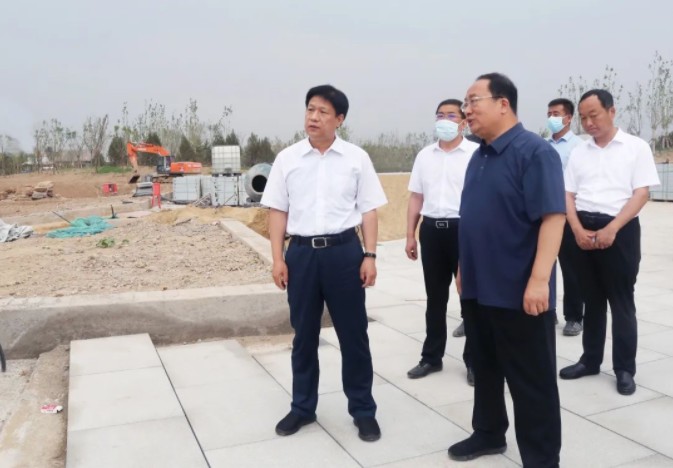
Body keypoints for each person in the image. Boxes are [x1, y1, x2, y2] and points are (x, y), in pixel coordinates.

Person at [448, 73, 565, 467]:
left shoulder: (534, 152)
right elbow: (475, 216)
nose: (466, 110)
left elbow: (553, 218)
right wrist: (463, 266)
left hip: (518, 289)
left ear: (503, 104)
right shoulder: (478, 155)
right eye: (465, 103)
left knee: (531, 381)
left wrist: (539, 280)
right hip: (478, 286)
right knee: (485, 367)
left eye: (473, 101)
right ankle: (488, 432)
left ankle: (542, 458)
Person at [261, 84, 387, 442]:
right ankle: (302, 407)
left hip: (344, 253)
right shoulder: (287, 159)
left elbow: (369, 210)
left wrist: (370, 255)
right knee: (303, 336)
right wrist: (277, 258)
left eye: (323, 112)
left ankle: (363, 410)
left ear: (339, 119)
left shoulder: (356, 158)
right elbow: (277, 211)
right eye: (310, 109)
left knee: (353, 335)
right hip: (301, 255)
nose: (313, 117)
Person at [559, 89, 660, 396]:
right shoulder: (580, 152)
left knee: (621, 301)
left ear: (612, 111)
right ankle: (590, 360)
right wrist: (576, 228)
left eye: (594, 115)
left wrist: (612, 228)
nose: (589, 123)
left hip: (620, 229)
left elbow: (641, 193)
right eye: (584, 118)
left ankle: (624, 369)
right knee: (591, 300)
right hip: (582, 228)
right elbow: (568, 194)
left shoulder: (635, 147)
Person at [405, 99, 477, 385]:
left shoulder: (475, 153)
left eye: (451, 115)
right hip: (432, 230)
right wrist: (410, 234)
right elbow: (416, 197)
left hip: (465, 230)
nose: (444, 120)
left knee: (469, 296)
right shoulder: (425, 156)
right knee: (435, 298)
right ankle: (431, 357)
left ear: (464, 122)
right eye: (439, 116)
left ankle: (475, 360)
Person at [547, 98, 585, 336]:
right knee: (544, 264)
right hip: (544, 214)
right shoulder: (542, 146)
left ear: (568, 118)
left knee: (572, 269)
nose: (551, 118)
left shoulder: (579, 147)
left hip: (569, 214)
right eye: (549, 114)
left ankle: (574, 317)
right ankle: (547, 310)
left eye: (556, 113)